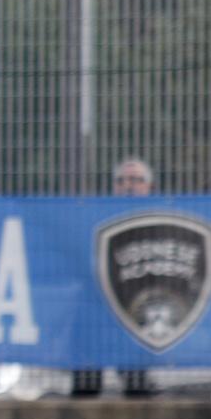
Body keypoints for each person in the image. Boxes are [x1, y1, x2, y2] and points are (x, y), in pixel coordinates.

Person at [77, 156, 158, 397]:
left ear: (149, 187)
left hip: (136, 308)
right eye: (121, 180)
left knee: (136, 386)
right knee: (85, 385)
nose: (128, 185)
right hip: (98, 307)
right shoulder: (97, 217)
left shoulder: (158, 218)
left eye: (135, 180)